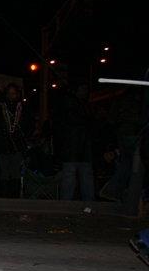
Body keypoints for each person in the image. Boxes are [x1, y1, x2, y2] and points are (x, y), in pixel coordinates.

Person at [100, 86, 144, 217]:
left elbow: (111, 119)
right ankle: (130, 209)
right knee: (137, 172)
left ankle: (111, 191)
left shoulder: (121, 98)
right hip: (138, 134)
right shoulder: (143, 98)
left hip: (123, 134)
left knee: (126, 163)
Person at [56, 81, 95, 201]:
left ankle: (80, 200)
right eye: (83, 87)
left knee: (80, 173)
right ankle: (68, 200)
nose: (85, 90)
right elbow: (70, 119)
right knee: (74, 173)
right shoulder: (72, 102)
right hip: (73, 143)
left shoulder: (80, 103)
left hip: (78, 144)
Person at [0, 83, 34, 198]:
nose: (10, 96)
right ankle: (4, 196)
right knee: (4, 172)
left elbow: (30, 126)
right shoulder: (0, 108)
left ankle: (15, 197)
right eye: (8, 93)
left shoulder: (24, 110)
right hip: (3, 146)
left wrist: (24, 138)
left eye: (13, 93)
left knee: (15, 171)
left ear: (17, 94)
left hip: (18, 146)